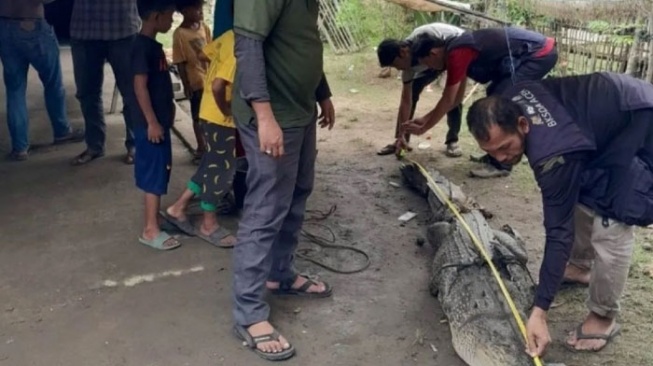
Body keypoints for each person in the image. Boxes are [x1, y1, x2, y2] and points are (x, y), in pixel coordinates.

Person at [465, 72, 653, 357]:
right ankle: (579, 267)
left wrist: (540, 311)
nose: (500, 159)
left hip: (641, 119)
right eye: (490, 152)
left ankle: (603, 317)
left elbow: (558, 233)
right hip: (600, 120)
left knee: (614, 214)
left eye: (505, 148)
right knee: (578, 191)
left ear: (523, 124)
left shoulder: (552, 153)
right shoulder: (510, 96)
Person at [231, 0, 336, 361]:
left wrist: (322, 94)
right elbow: (247, 45)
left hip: (300, 111)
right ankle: (248, 313)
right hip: (273, 115)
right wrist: (264, 116)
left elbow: (302, 40)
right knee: (267, 208)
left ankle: (280, 274)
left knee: (297, 193)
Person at [405, 26, 558, 178]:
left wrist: (425, 127)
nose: (429, 67)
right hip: (536, 52)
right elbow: (456, 99)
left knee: (499, 100)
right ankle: (495, 156)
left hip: (539, 53)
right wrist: (425, 120)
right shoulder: (455, 50)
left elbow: (448, 98)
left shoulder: (457, 53)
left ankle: (502, 164)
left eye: (427, 62)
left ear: (434, 53)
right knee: (493, 93)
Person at [162, 20, 238, 248]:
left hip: (206, 111)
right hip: (220, 117)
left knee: (210, 163)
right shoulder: (241, 48)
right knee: (221, 170)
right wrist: (227, 110)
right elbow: (217, 86)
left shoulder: (230, 36)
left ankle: (178, 208)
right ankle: (209, 224)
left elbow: (204, 56)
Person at [0, 0, 84, 161]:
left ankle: (19, 147)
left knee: (15, 90)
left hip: (4, 26)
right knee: (53, 83)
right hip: (32, 24)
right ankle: (61, 130)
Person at [376, 22, 464, 158]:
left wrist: (425, 124)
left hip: (455, 53)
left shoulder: (428, 37)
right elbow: (406, 101)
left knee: (452, 95)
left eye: (395, 65)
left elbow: (453, 97)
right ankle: (402, 140)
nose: (398, 69)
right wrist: (401, 135)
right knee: (413, 91)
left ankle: (452, 140)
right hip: (433, 62)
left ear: (403, 52)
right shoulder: (408, 65)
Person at [69, 0, 141, 165]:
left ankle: (136, 144)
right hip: (84, 29)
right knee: (87, 93)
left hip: (122, 27)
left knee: (132, 92)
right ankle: (94, 145)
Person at [131, 0, 179, 250]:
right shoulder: (141, 47)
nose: (172, 21)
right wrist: (151, 122)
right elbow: (140, 87)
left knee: (162, 170)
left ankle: (156, 218)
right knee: (154, 175)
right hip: (150, 126)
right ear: (156, 16)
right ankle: (150, 229)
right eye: (170, 16)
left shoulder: (153, 46)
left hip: (159, 123)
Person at [172, 0, 211, 165]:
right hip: (195, 82)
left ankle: (211, 144)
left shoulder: (204, 28)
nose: (201, 12)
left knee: (209, 115)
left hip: (209, 80)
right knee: (197, 117)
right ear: (185, 11)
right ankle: (201, 147)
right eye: (197, 9)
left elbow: (213, 49)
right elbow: (180, 62)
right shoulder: (179, 34)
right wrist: (186, 85)